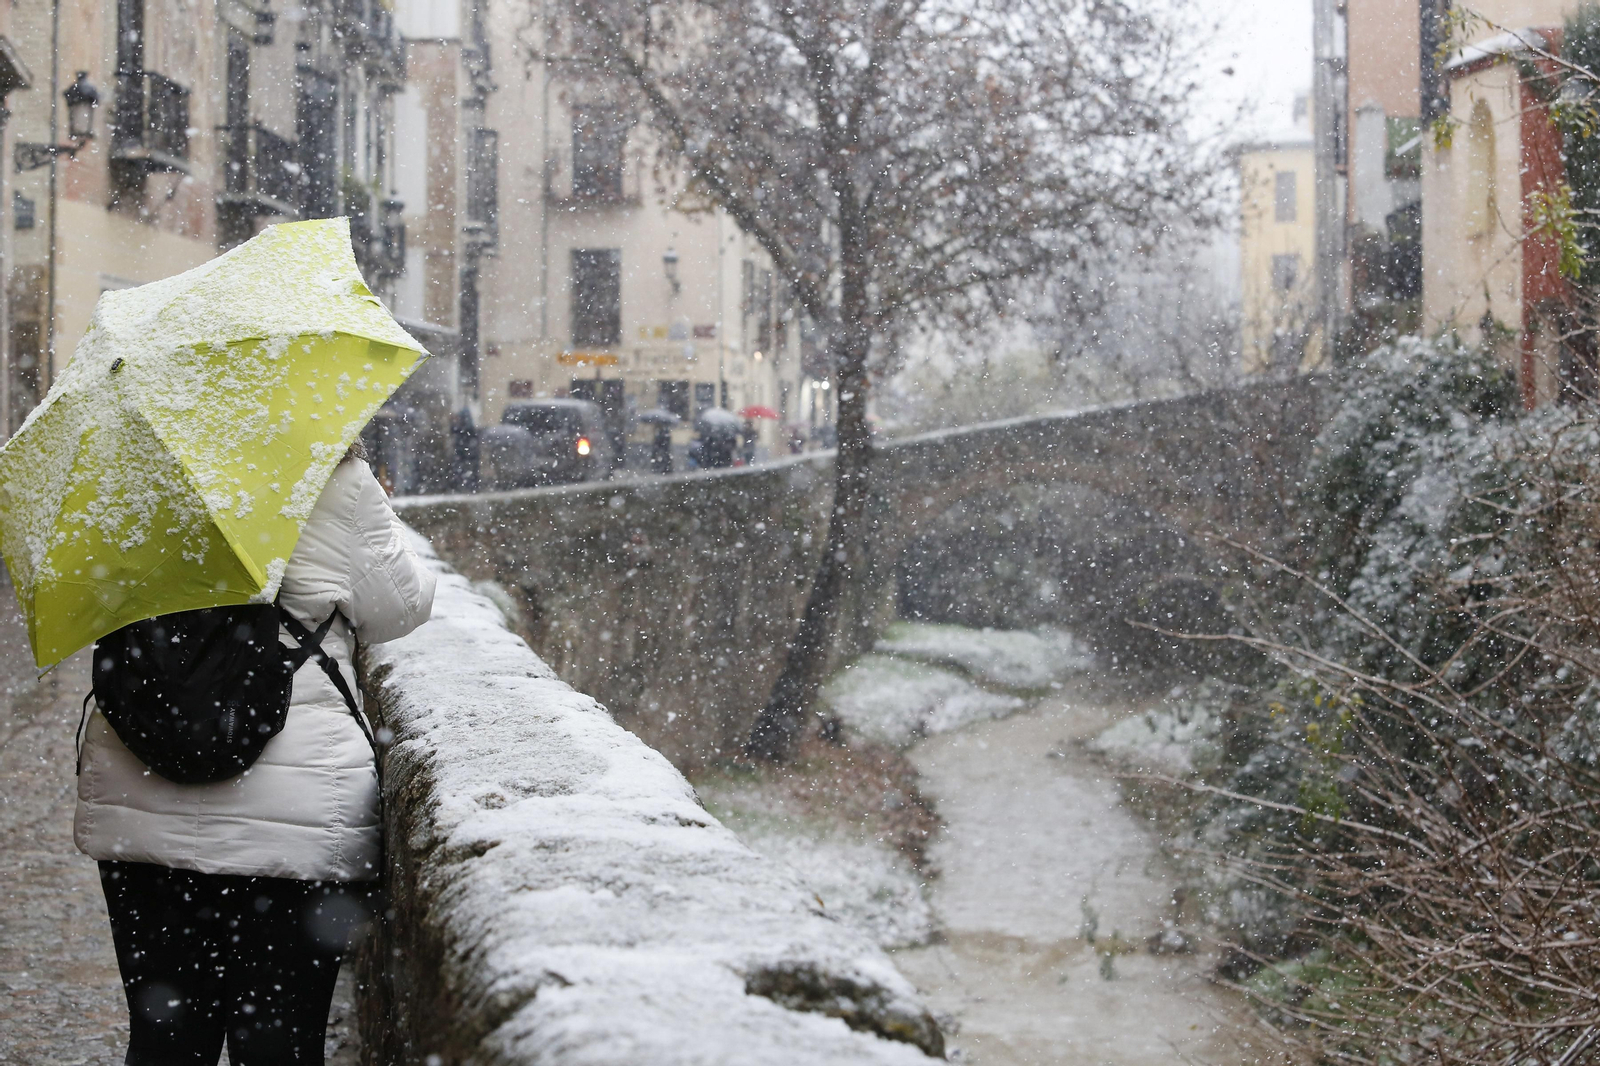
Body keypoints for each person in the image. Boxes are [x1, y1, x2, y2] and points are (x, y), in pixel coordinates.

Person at [74, 446, 437, 1066]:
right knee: (279, 1043)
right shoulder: (324, 470)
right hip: (293, 816)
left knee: (166, 1041)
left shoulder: (128, 470)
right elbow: (401, 608)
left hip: (141, 797)